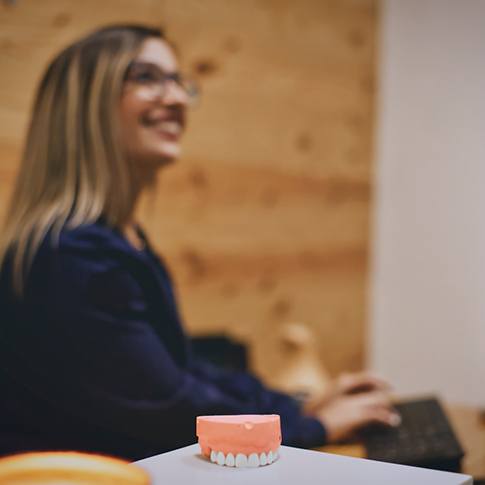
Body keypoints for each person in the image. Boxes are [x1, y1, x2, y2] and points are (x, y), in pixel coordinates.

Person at [0, 24, 400, 461]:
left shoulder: (116, 242)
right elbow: (167, 408)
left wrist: (294, 407)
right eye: (147, 77)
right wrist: (314, 426)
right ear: (83, 105)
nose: (174, 99)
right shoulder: (72, 258)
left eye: (177, 82)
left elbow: (181, 372)